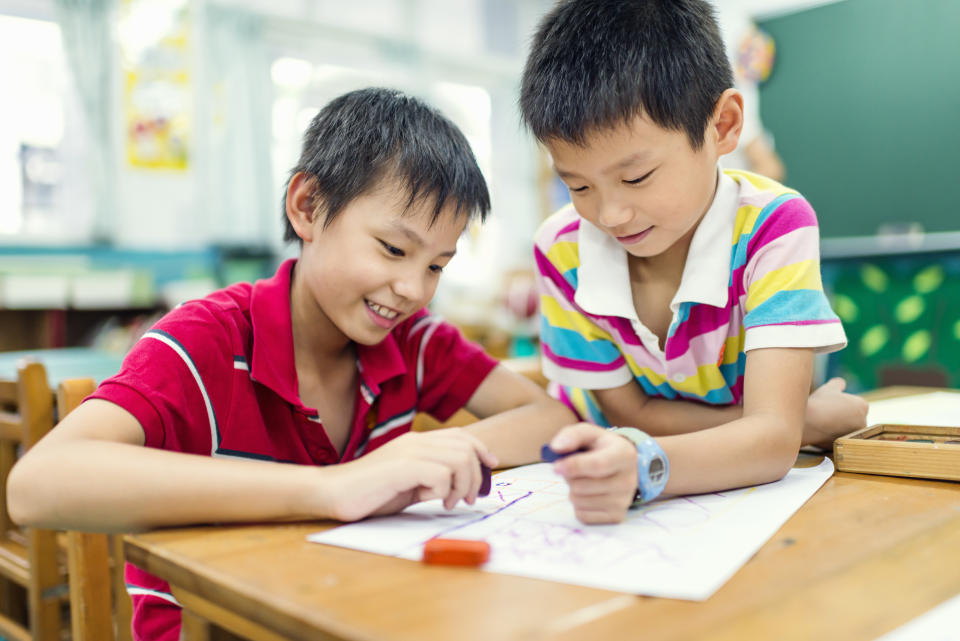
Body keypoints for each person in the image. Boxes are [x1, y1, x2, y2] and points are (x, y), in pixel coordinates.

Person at [7, 88, 574, 640]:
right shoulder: (205, 340)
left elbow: (552, 420)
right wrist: (331, 488)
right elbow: (36, 485)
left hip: (352, 611)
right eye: (394, 250)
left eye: (437, 266)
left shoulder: (415, 342)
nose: (412, 289)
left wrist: (439, 454)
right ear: (307, 206)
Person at [519, 0, 868, 524]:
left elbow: (771, 443)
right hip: (579, 472)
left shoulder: (774, 226)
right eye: (578, 185)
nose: (610, 214)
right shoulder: (562, 246)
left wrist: (645, 464)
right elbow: (630, 414)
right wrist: (801, 423)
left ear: (722, 126)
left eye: (636, 178)